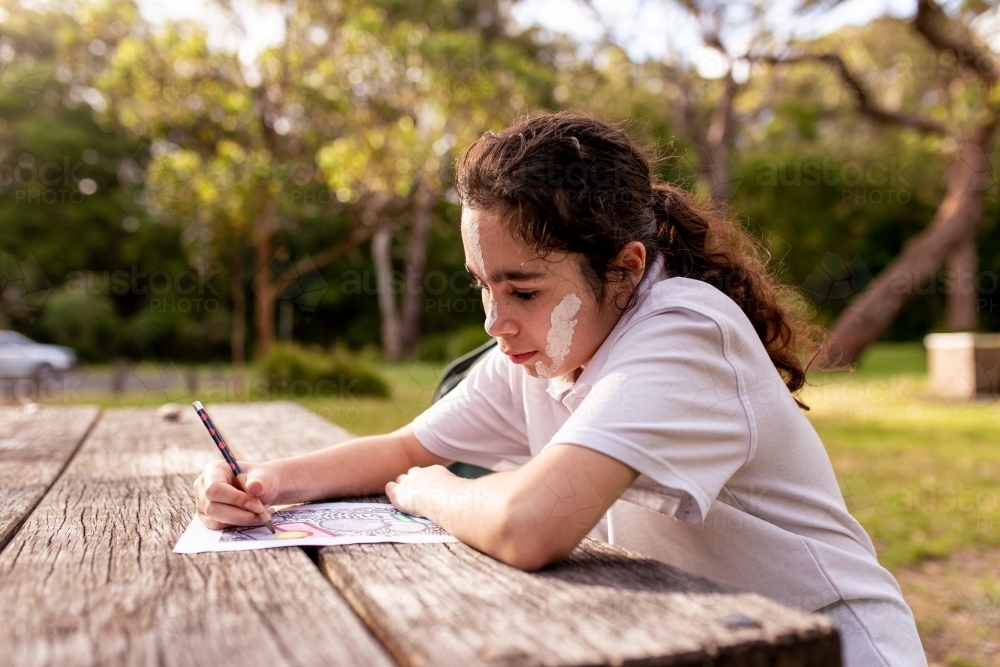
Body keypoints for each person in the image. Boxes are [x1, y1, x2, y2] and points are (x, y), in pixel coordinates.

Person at [193, 111, 926, 666]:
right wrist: (260, 482)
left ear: (625, 267)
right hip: (698, 639)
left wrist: (425, 491)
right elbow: (403, 445)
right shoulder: (545, 347)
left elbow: (526, 525)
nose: (495, 320)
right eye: (483, 285)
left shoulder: (685, 333)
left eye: (521, 288)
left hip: (829, 645)